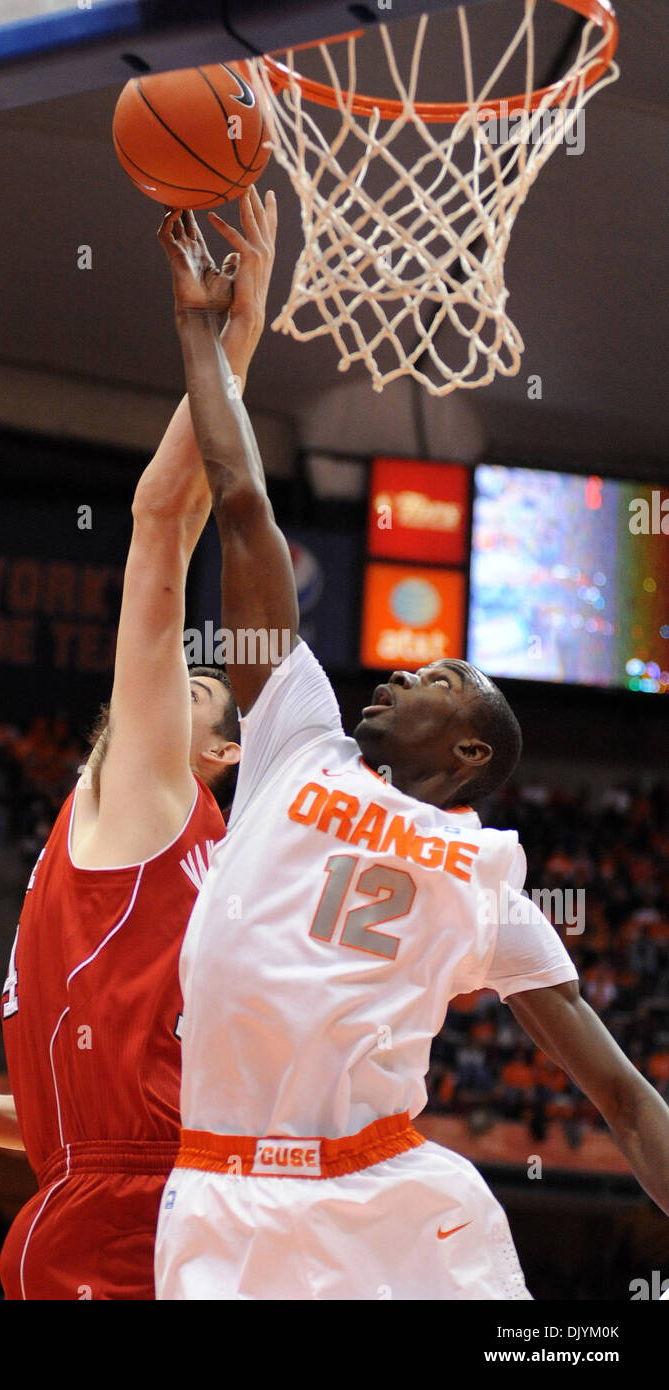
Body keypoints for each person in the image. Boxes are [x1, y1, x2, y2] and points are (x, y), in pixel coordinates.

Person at [153, 198, 669, 1300]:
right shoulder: (297, 734)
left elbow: (622, 1098)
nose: (397, 673)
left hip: (385, 1197)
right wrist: (204, 331)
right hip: (219, 1194)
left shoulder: (488, 876)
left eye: (437, 680)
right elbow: (242, 506)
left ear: (471, 752)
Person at [0, 190, 276, 1300]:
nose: (172, 678)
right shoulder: (141, 803)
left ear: (224, 753)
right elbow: (165, 521)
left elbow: (90, 1137)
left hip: (150, 1201)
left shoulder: (187, 831)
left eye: (199, 686)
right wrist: (226, 337)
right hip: (127, 1219)